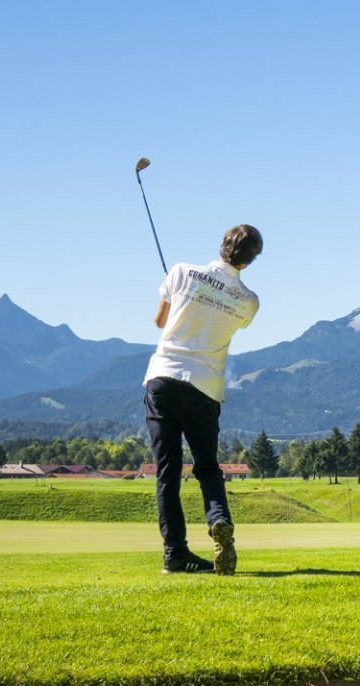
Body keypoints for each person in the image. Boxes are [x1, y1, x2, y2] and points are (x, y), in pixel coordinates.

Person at [144, 224, 263, 574]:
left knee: (167, 472)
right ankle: (219, 519)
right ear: (251, 259)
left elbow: (159, 321)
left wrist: (177, 296)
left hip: (162, 379)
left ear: (222, 244)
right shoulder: (249, 301)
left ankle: (175, 555)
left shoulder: (180, 271)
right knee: (207, 468)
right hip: (203, 389)